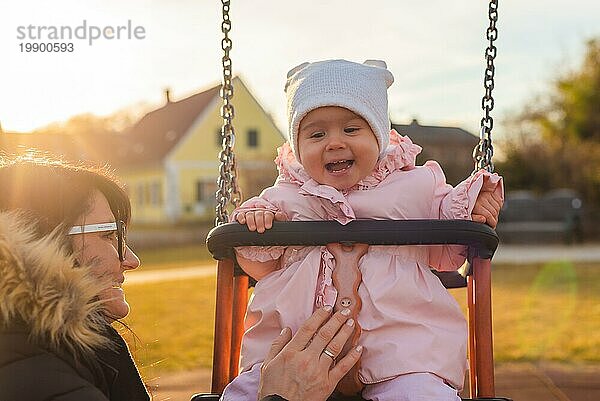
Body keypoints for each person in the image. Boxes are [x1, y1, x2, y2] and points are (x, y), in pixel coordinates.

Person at [222, 59, 504, 401]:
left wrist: (472, 207)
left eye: (351, 129)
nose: (334, 143)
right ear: (297, 146)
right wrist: (258, 224)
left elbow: (451, 239)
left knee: (422, 395)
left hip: (402, 354)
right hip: (289, 354)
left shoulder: (416, 186)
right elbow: (257, 264)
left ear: (379, 135)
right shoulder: (284, 196)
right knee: (245, 394)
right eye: (316, 134)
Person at [0, 153, 359, 401]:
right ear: (41, 240)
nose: (131, 260)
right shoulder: (27, 366)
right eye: (111, 236)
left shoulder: (59, 347)